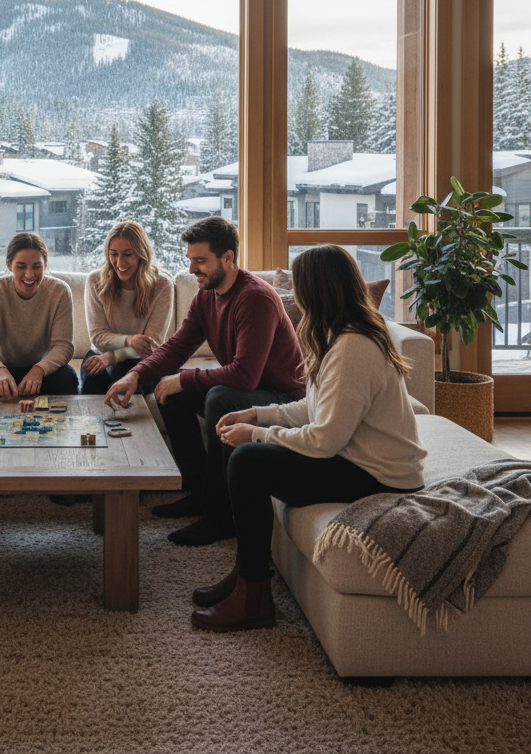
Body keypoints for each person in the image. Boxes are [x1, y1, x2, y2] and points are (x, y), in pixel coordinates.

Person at [191, 245, 427, 632]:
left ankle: (253, 597)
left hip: (378, 475)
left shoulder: (354, 346)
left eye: (298, 287)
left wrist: (258, 434)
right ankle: (245, 577)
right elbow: (311, 408)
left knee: (248, 462)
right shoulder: (336, 335)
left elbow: (324, 440)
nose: (293, 297)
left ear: (317, 290)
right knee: (249, 455)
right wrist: (257, 414)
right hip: (355, 459)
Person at [104, 216, 305, 547]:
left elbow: (245, 374)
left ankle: (220, 516)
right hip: (251, 390)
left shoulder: (255, 298)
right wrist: (135, 373)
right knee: (170, 392)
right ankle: (198, 491)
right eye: (190, 260)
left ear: (227, 258)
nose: (192, 269)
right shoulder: (206, 296)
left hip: (282, 398)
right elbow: (176, 348)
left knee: (219, 398)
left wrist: (184, 379)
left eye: (201, 261)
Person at [0, 231, 78, 398]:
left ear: (45, 264)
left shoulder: (60, 291)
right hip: (4, 367)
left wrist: (39, 369)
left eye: (37, 266)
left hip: (44, 367)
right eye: (21, 266)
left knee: (68, 377)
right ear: (9, 265)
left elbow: (63, 346)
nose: (29, 274)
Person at [80, 221, 172, 395]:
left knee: (122, 374)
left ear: (141, 254)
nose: (119, 262)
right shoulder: (95, 281)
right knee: (93, 375)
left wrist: (113, 356)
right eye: (113, 254)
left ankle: (135, 423)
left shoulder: (162, 285)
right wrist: (130, 340)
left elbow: (150, 346)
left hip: (141, 359)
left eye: (127, 254)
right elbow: (98, 337)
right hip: (101, 352)